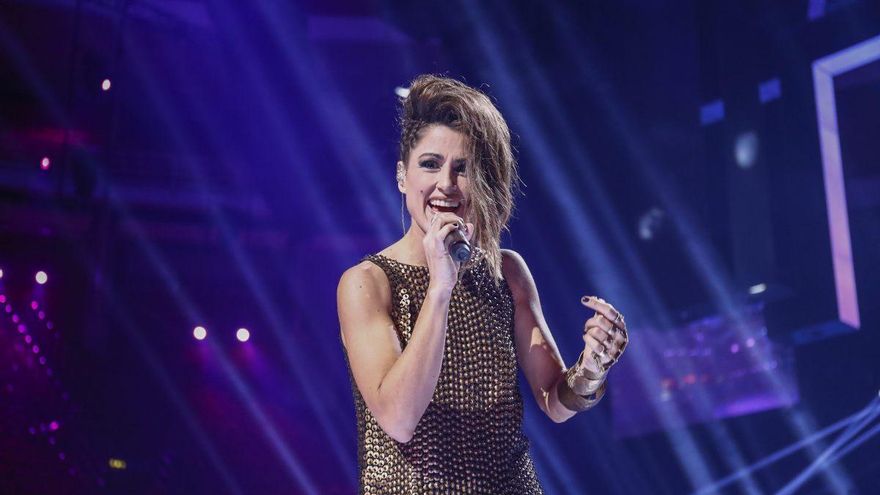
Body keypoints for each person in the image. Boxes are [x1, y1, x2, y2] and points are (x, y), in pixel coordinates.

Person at [337, 74, 629, 494]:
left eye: (463, 168)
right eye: (430, 164)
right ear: (402, 176)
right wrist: (440, 288)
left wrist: (590, 372)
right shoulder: (368, 283)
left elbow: (553, 400)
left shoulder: (506, 271)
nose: (446, 184)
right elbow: (398, 419)